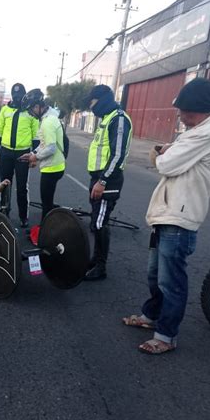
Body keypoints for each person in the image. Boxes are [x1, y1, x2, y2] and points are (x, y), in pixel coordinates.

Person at [123, 77, 210, 355]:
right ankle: (151, 316)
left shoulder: (208, 134)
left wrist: (162, 152)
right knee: (155, 274)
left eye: (184, 110)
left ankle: (166, 335)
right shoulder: (195, 132)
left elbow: (166, 163)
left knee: (171, 281)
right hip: (167, 214)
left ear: (201, 109)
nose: (180, 116)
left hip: (180, 217)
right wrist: (163, 153)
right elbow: (163, 157)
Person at [82, 84, 132, 281]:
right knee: (96, 221)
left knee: (100, 223)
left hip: (108, 179)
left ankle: (100, 267)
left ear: (102, 100)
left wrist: (102, 181)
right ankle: (95, 259)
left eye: (93, 102)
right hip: (99, 178)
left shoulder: (118, 119)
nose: (92, 106)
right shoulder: (107, 118)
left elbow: (118, 155)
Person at [0, 83, 39, 228]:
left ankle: (23, 216)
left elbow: (36, 135)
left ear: (25, 95)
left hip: (23, 154)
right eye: (15, 94)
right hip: (5, 152)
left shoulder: (30, 112)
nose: (17, 97)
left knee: (22, 187)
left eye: (20, 94)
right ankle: (4, 212)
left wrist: (34, 156)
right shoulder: (5, 110)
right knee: (4, 184)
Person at [18, 89, 65, 220]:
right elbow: (44, 144)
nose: (30, 114)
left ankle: (46, 231)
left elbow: (50, 148)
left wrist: (35, 157)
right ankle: (46, 228)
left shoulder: (48, 122)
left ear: (38, 106)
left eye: (30, 110)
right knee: (47, 201)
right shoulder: (48, 119)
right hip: (54, 166)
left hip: (52, 168)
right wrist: (32, 152)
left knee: (46, 203)